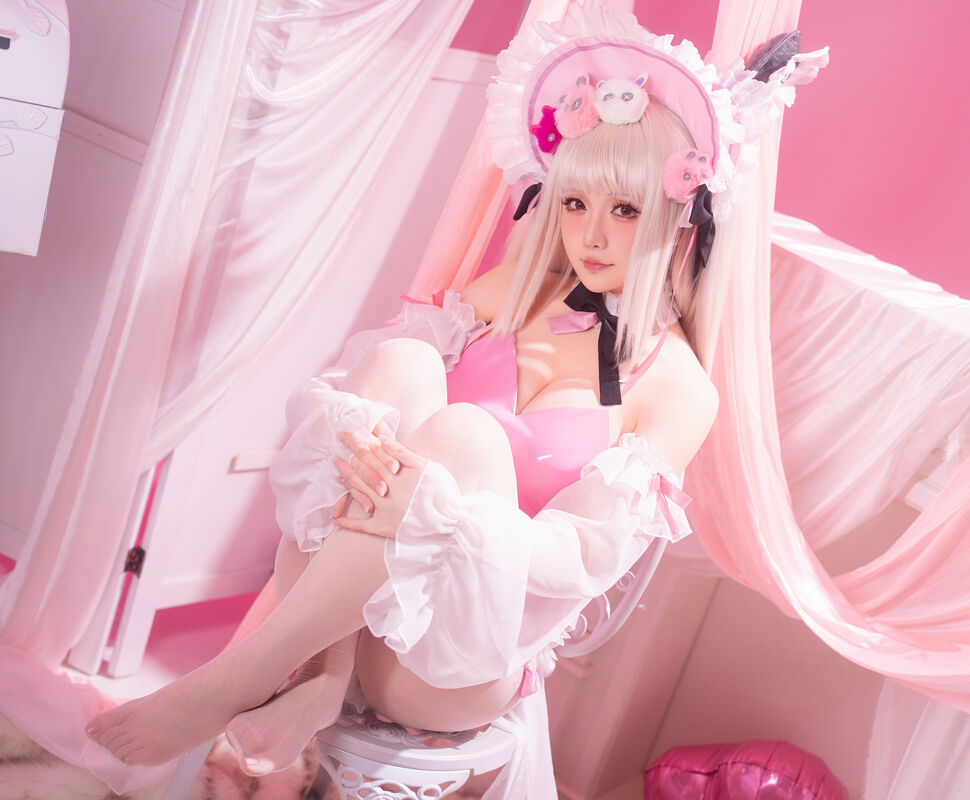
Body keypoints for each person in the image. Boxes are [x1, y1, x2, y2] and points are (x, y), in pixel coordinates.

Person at [84, 2, 826, 791]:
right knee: (403, 360)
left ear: (679, 215)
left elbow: (578, 564)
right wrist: (386, 479)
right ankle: (321, 675)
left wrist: (437, 510)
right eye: (575, 203)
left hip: (455, 656)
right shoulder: (515, 292)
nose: (590, 236)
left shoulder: (681, 390)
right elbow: (369, 411)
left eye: (624, 209)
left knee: (464, 436)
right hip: (349, 621)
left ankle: (249, 672)